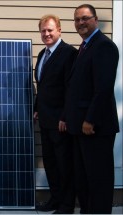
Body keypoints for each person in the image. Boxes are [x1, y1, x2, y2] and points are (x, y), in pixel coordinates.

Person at [62, 4, 119, 214]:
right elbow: (77, 88)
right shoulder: (85, 47)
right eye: (77, 19)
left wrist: (90, 120)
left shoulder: (103, 46)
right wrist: (68, 117)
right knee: (84, 178)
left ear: (95, 19)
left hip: (95, 127)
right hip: (79, 127)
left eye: (85, 18)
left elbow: (103, 88)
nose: (80, 23)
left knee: (98, 179)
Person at [34, 14, 77, 214]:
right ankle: (55, 200)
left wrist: (66, 116)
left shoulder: (68, 53)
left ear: (59, 30)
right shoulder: (42, 54)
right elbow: (42, 87)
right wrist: (36, 108)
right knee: (50, 162)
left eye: (50, 30)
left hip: (61, 121)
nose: (46, 33)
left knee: (64, 164)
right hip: (45, 119)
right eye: (43, 30)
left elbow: (72, 89)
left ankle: (67, 205)